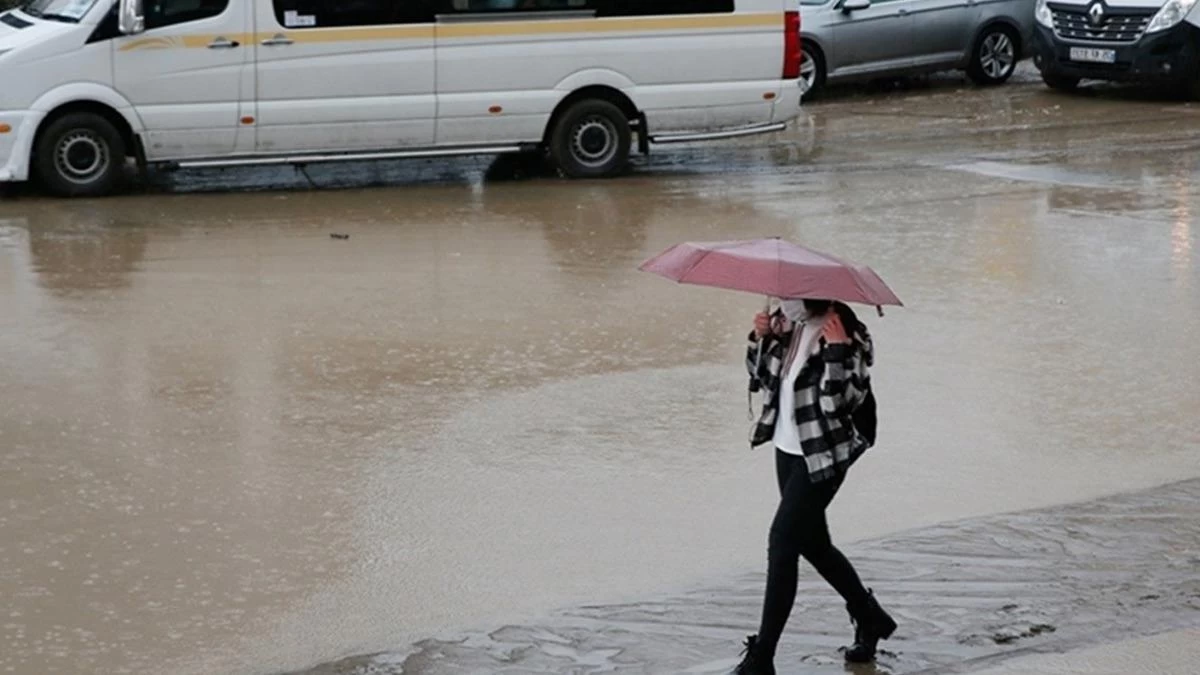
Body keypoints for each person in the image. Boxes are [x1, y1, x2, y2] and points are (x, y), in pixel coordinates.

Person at [733, 298, 895, 674]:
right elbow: (760, 380)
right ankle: (868, 615)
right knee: (812, 543)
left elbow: (837, 405)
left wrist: (837, 352)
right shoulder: (787, 326)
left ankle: (762, 657)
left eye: (790, 294)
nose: (783, 300)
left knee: (782, 541)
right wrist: (759, 338)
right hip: (787, 448)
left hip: (825, 452)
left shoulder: (845, 331)